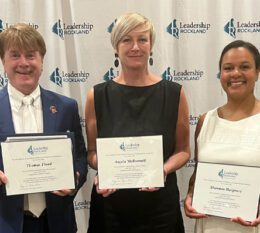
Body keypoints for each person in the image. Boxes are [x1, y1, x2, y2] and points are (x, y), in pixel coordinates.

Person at [85, 12, 190, 233]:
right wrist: (105, 168)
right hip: (111, 209)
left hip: (160, 209)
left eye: (142, 39)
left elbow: (183, 151)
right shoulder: (97, 95)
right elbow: (92, 153)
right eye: (126, 40)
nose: (135, 47)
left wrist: (162, 169)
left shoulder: (174, 93)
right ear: (116, 47)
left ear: (151, 46)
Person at [0, 23, 88, 233]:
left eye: (31, 55)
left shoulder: (66, 107)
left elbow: (81, 157)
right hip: (6, 223)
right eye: (15, 55)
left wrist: (75, 178)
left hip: (57, 222)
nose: (24, 63)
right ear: (3, 61)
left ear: (41, 61)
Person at [184, 40, 260, 233]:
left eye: (244, 67)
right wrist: (191, 195)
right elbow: (198, 172)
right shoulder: (205, 121)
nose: (235, 73)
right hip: (208, 226)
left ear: (257, 72)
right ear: (221, 74)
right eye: (228, 68)